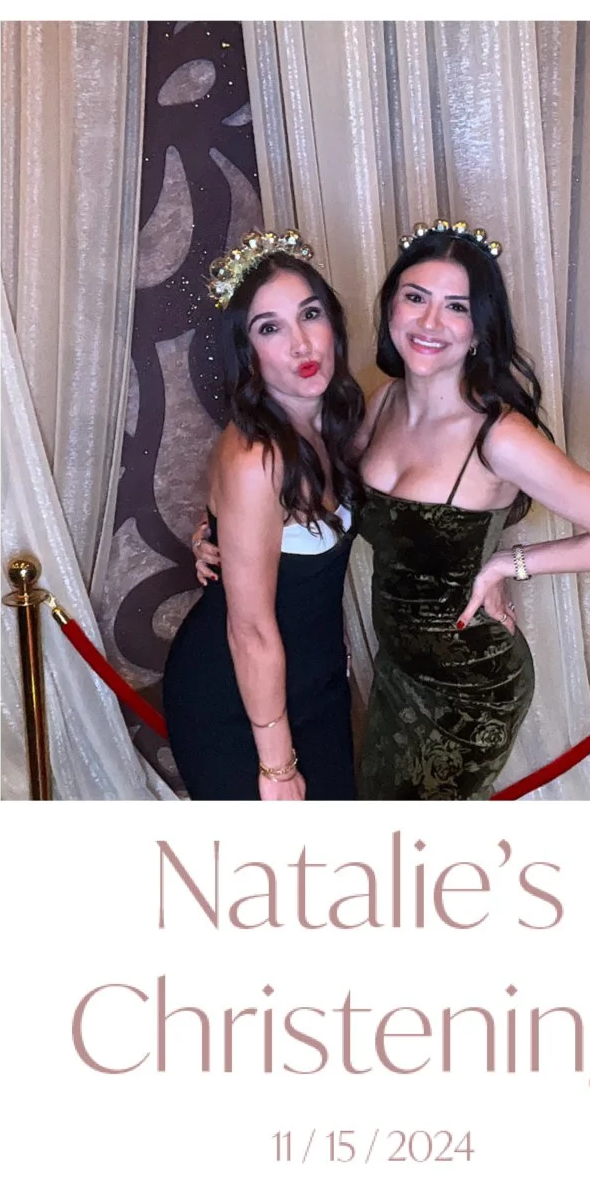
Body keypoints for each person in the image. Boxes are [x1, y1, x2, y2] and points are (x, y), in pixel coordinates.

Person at [356, 222, 590, 801]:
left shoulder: (499, 435)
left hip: (471, 687)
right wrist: (217, 527)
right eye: (415, 298)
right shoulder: (384, 399)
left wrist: (502, 565)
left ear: (478, 330)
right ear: (392, 306)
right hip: (397, 668)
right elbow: (323, 493)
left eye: (456, 307)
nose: (428, 323)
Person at [163, 233, 363, 799]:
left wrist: (488, 565)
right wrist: (277, 766)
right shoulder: (259, 459)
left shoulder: (336, 418)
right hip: (239, 698)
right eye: (270, 327)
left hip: (315, 682)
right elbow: (249, 628)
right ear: (247, 351)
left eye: (311, 314)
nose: (301, 344)